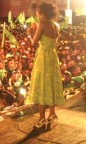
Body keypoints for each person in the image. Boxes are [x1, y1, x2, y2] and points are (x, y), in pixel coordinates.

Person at [28, 2, 65, 130]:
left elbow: (33, 43)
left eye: (38, 12)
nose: (37, 14)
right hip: (52, 57)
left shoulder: (42, 24)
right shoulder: (56, 25)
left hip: (43, 58)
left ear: (43, 13)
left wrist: (30, 32)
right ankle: (52, 113)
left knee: (42, 87)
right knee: (51, 85)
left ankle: (42, 118)